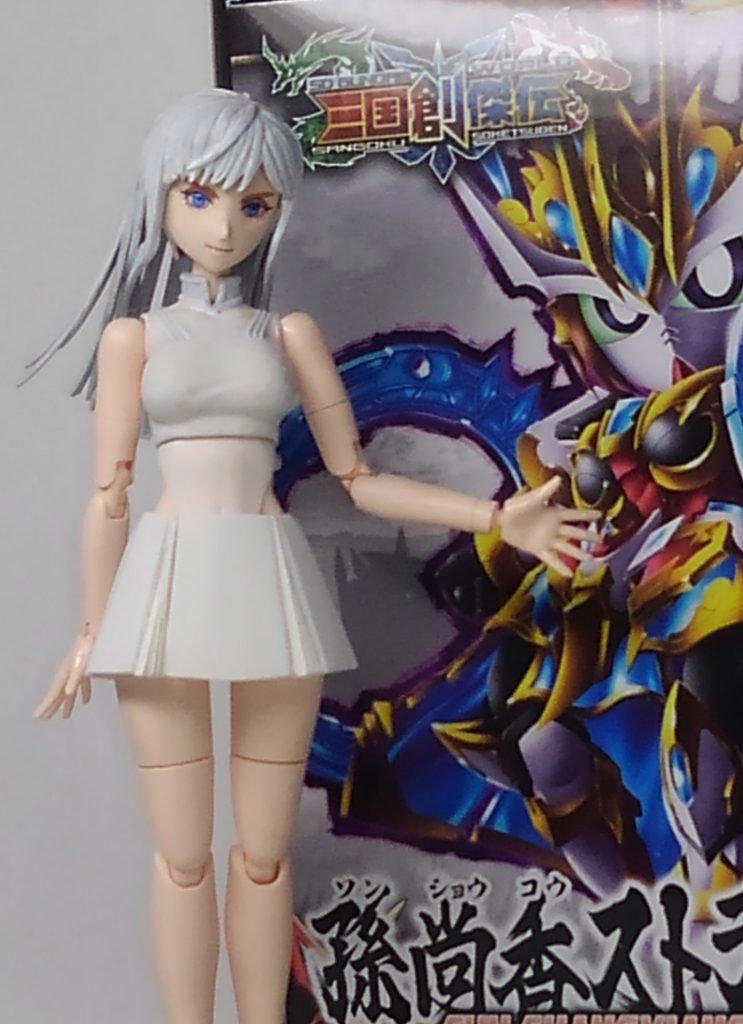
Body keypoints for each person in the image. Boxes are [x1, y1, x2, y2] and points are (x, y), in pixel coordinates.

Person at [31, 88, 597, 1024]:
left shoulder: (287, 335)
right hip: (164, 582)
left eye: (252, 203)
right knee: (181, 858)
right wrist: (93, 629)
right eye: (200, 196)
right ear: (161, 196)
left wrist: (496, 517)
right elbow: (110, 494)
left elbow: (358, 477)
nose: (224, 226)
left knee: (263, 856)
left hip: (266, 580)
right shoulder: (135, 337)